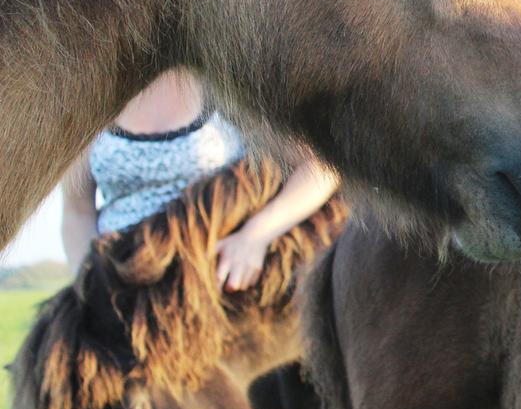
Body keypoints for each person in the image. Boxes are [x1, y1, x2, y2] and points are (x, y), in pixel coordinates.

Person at [61, 68, 339, 290]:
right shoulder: (93, 100)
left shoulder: (225, 86)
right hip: (124, 292)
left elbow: (322, 168)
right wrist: (91, 286)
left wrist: (256, 236)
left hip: (214, 292)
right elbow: (77, 214)